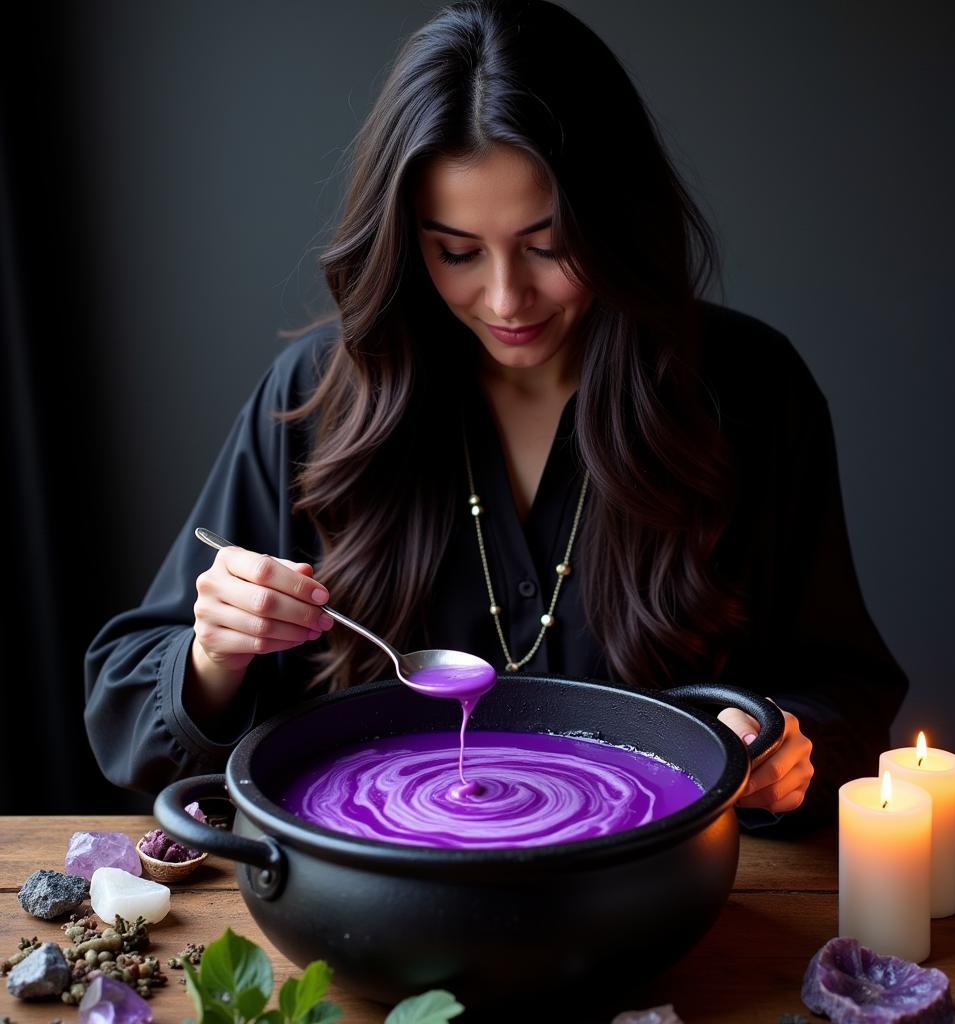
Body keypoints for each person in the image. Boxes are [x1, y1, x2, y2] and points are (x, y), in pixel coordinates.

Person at [84, 0, 907, 833]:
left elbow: (847, 692)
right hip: (375, 912)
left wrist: (778, 744)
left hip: (656, 905)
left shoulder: (750, 389)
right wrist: (215, 650)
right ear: (408, 240)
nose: (508, 299)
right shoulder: (326, 391)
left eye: (548, 245)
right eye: (458, 252)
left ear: (617, 221)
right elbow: (125, 711)